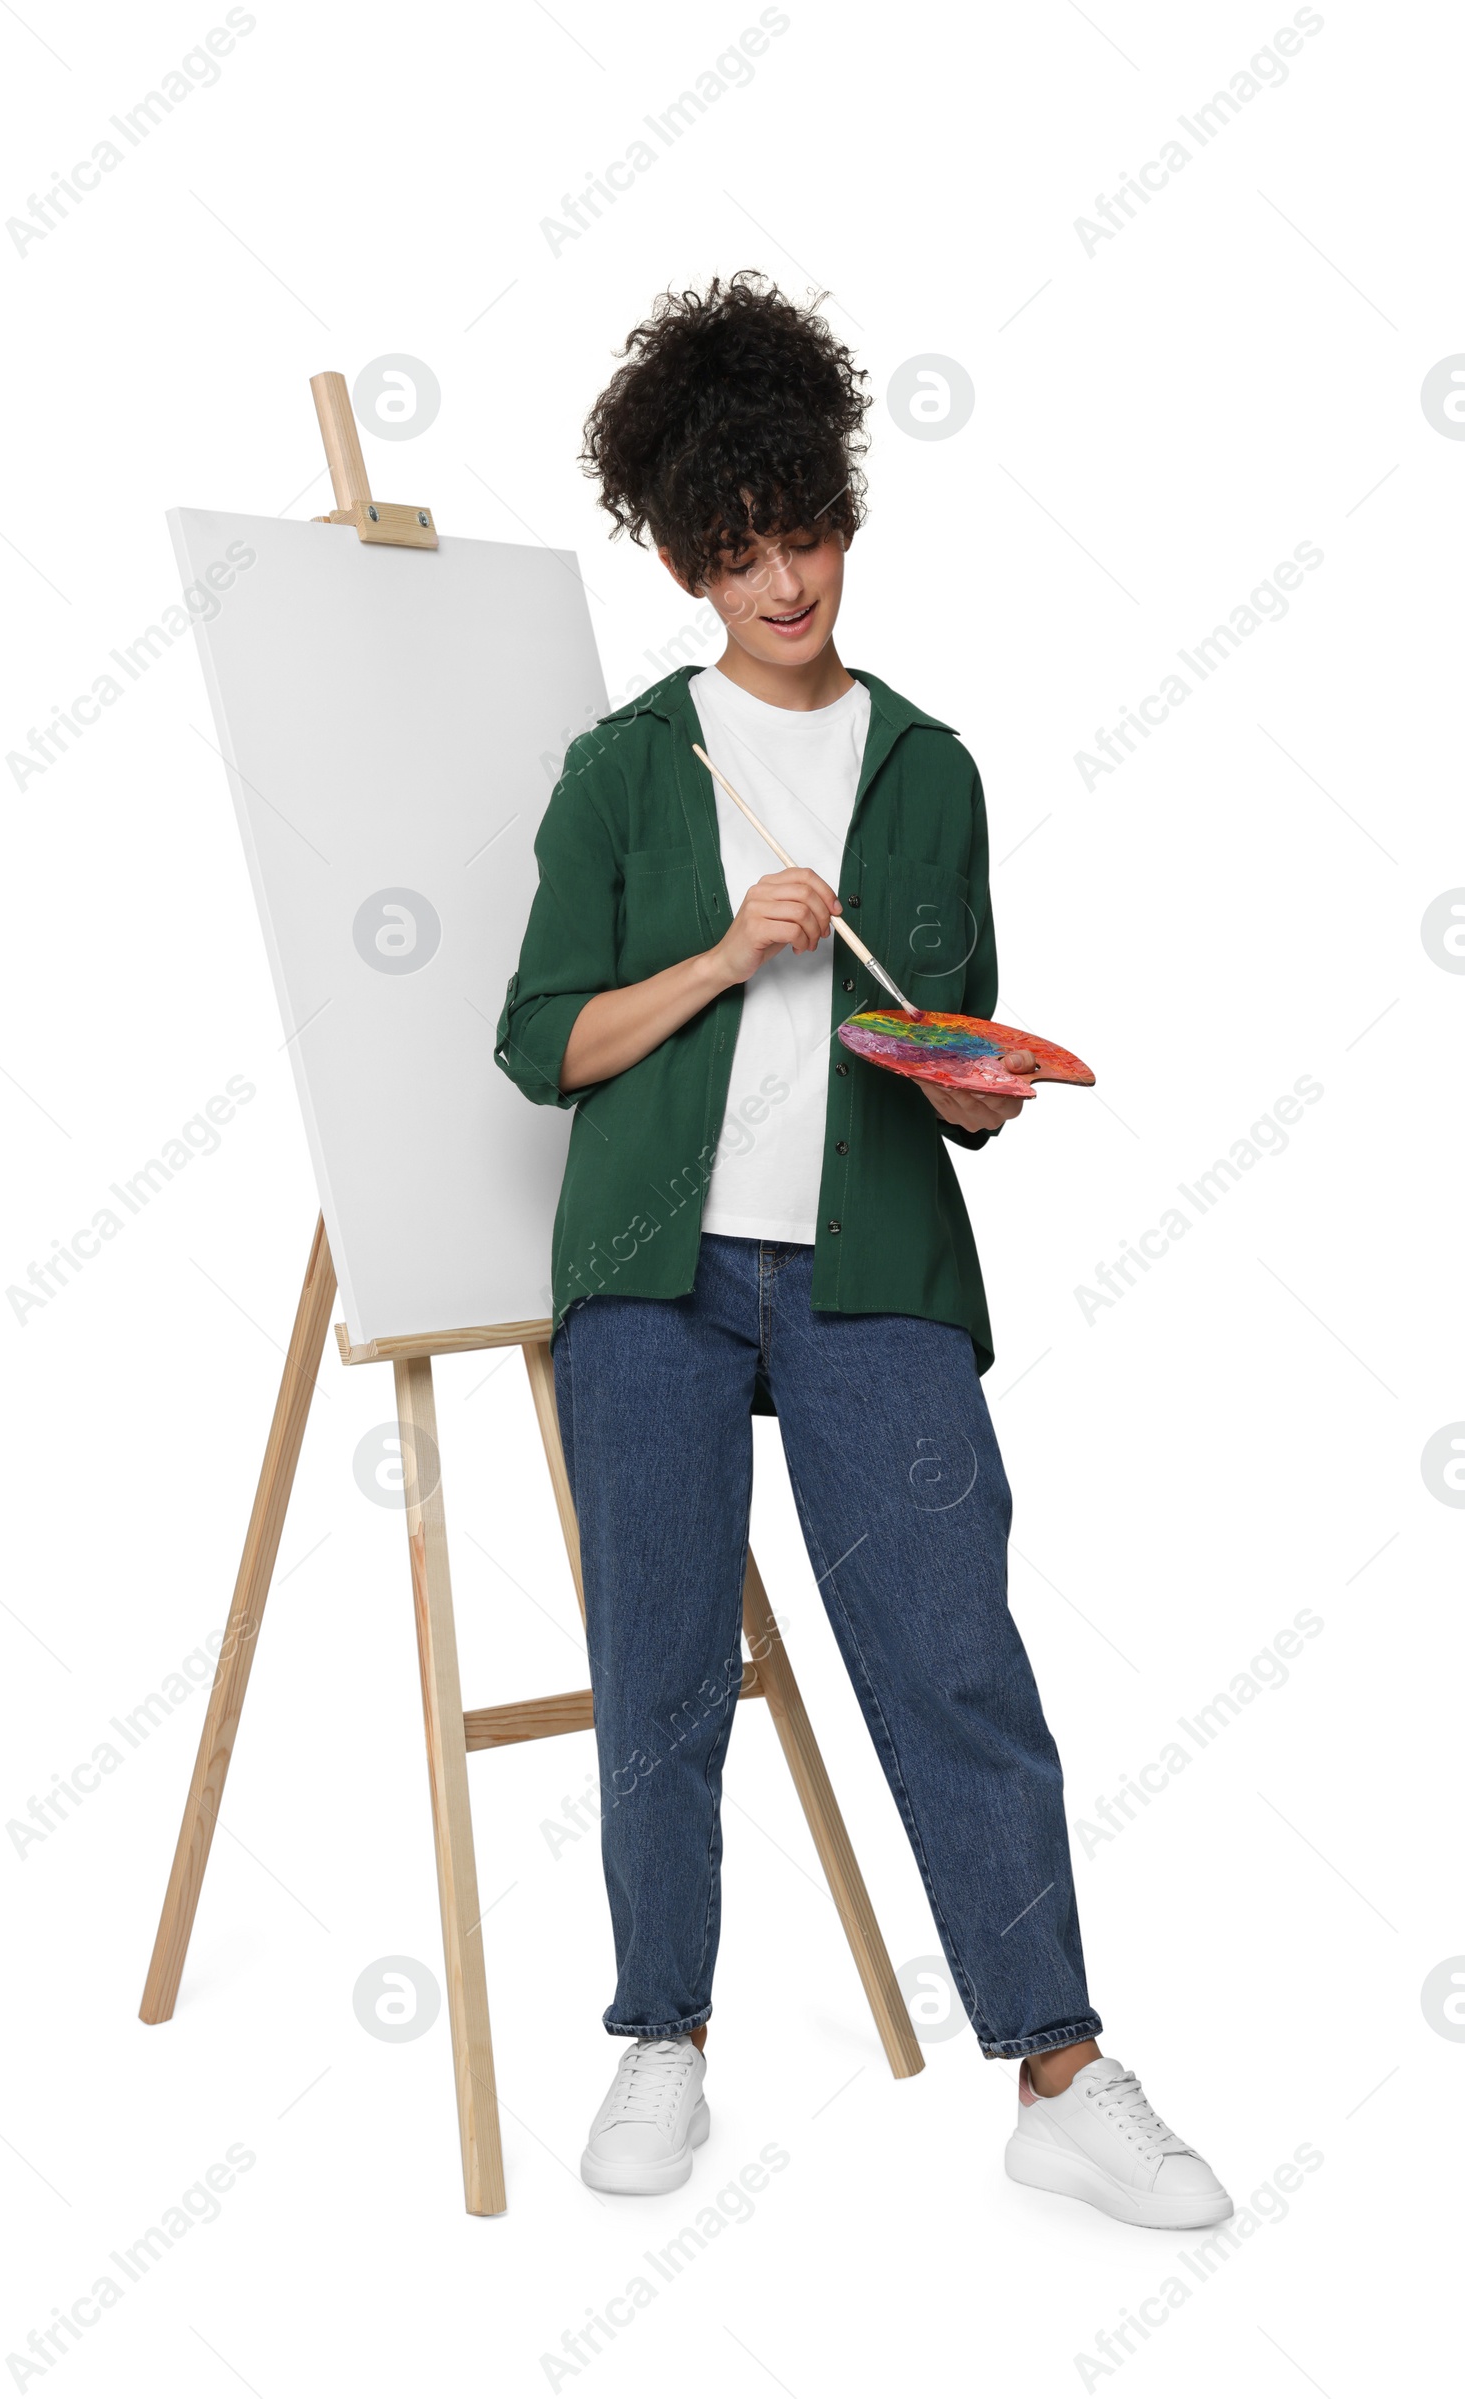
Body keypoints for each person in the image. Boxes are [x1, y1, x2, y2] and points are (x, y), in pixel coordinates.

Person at [493, 272, 1229, 2231]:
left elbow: (944, 1045)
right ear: (674, 552)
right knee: (653, 1672)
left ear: (839, 509)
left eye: (802, 530)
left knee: (947, 1653)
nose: (782, 580)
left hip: (867, 1276)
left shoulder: (932, 768)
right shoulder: (622, 773)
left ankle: (1055, 2071)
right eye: (734, 552)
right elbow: (541, 1045)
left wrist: (972, 1093)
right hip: (651, 1277)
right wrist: (728, 954)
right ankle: (661, 2037)